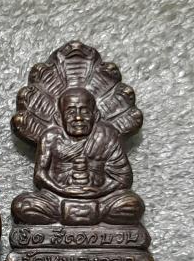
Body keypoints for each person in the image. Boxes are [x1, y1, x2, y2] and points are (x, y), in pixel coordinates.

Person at [12, 87, 143, 224]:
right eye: (71, 113)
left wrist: (99, 191)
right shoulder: (50, 137)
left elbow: (123, 178)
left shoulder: (107, 136)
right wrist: (62, 190)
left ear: (95, 115)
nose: (78, 118)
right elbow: (40, 175)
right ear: (59, 118)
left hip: (101, 199)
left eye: (85, 112)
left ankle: (84, 214)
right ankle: (89, 215)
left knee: (133, 205)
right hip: (56, 199)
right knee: (22, 205)